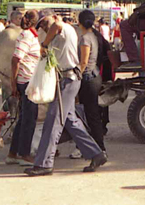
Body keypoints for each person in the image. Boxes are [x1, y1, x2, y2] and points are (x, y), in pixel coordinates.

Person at [25, 16, 107, 176]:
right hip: (67, 79)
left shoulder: (62, 28)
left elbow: (56, 25)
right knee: (71, 122)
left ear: (54, 17)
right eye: (41, 25)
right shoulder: (60, 33)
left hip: (69, 80)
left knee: (53, 120)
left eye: (44, 22)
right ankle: (96, 154)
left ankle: (44, 164)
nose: (44, 26)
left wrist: (44, 45)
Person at [6, 10, 40, 166]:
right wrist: (13, 83)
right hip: (27, 81)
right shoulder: (27, 36)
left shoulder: (29, 35)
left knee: (24, 117)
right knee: (29, 118)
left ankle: (13, 152)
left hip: (26, 80)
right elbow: (16, 60)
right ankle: (24, 153)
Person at [76, 10, 106, 154]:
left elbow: (83, 62)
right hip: (95, 76)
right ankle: (97, 146)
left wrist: (76, 76)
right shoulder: (94, 36)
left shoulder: (85, 39)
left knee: (89, 114)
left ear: (79, 22)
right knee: (92, 114)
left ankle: (98, 147)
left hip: (88, 79)